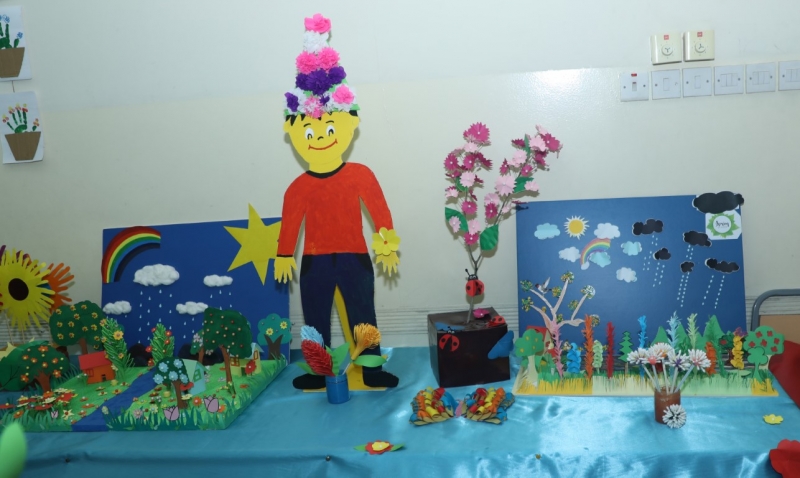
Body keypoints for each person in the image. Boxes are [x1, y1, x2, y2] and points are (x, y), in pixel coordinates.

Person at [274, 14, 400, 390]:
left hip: (354, 256)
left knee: (363, 315)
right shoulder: (297, 188)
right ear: (293, 131)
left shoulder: (360, 175)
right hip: (314, 261)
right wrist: (283, 255)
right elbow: (290, 223)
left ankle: (372, 370)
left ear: (348, 124)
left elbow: (380, 212)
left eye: (329, 128)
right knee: (314, 317)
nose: (319, 137)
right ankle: (319, 372)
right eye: (309, 130)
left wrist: (386, 244)